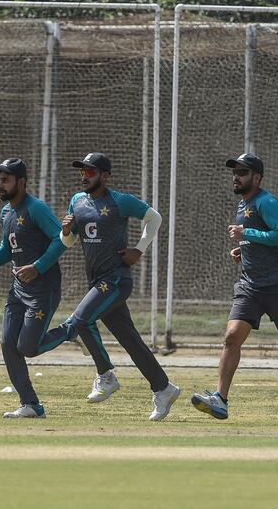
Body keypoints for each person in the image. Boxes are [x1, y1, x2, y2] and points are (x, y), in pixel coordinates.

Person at [191, 154, 278, 420]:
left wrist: (246, 235)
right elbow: (259, 239)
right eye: (234, 172)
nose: (236, 176)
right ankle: (220, 400)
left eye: (243, 172)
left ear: (257, 177)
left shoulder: (266, 202)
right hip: (250, 287)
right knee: (232, 336)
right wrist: (243, 250)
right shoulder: (243, 203)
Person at [54, 152, 179, 421]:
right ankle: (164, 388)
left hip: (116, 279)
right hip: (97, 281)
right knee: (130, 340)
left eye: (90, 172)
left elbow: (154, 218)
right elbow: (68, 242)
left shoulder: (120, 200)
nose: (85, 177)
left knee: (80, 320)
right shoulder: (77, 201)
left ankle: (105, 375)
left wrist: (139, 250)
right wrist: (65, 232)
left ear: (106, 176)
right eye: (82, 172)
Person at [0, 158, 70, 419]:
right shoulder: (6, 212)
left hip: (43, 289)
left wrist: (37, 266)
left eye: (6, 180)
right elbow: (7, 250)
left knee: (27, 348)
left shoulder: (36, 209)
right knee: (7, 343)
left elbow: (61, 241)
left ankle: (72, 330)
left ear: (22, 182)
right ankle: (31, 405)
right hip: (18, 290)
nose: (0, 184)